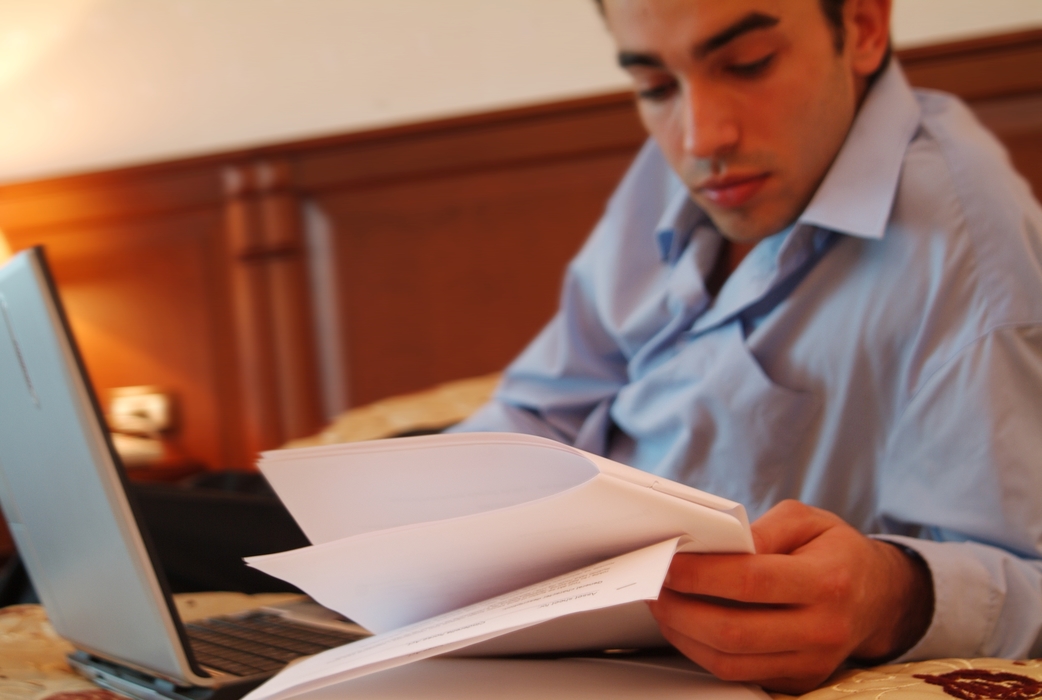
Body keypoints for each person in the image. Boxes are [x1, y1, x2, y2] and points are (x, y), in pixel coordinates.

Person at [452, 0, 1042, 693]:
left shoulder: (970, 252)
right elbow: (543, 403)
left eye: (749, 64)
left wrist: (891, 595)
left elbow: (1026, 568)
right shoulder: (675, 168)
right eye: (655, 86)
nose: (701, 137)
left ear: (862, 27)